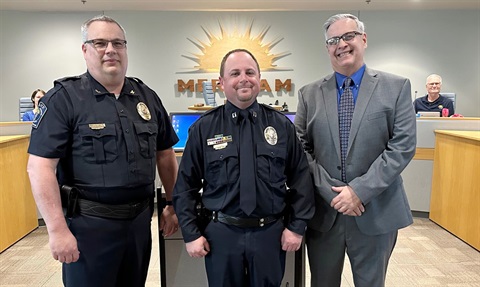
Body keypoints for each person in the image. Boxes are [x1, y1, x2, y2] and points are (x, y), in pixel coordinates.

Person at [26, 15, 179, 287]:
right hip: (89, 226)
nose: (110, 50)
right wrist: (57, 230)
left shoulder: (147, 97)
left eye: (118, 43)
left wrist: (172, 204)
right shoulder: (64, 99)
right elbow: (39, 167)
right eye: (100, 43)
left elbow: (165, 154)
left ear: (126, 49)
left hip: (138, 224)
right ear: (85, 50)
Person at [173, 49, 315, 287]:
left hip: (269, 233)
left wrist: (297, 227)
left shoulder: (281, 126)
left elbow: (301, 179)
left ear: (259, 78)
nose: (243, 78)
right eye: (235, 73)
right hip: (222, 234)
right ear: (222, 82)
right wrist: (191, 233)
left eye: (250, 72)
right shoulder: (204, 129)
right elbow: (185, 187)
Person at [295, 14, 417, 287]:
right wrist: (333, 192)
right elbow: (301, 150)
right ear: (327, 48)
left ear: (364, 39)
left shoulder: (396, 87)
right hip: (325, 213)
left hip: (376, 210)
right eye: (333, 40)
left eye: (349, 36)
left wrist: (358, 191)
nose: (342, 44)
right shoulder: (308, 94)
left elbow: (402, 147)